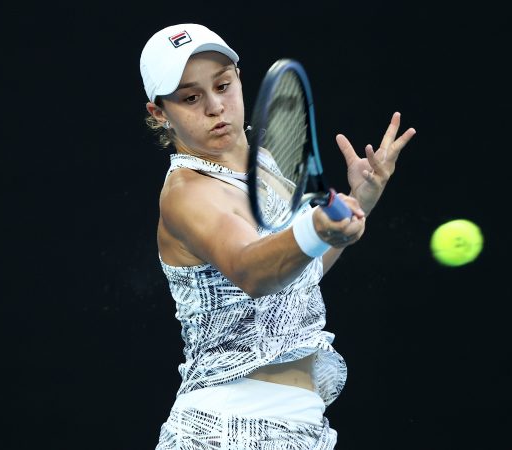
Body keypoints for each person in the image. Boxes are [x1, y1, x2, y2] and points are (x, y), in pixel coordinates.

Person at [140, 23, 416, 449]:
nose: (216, 106)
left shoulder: (264, 164)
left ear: (238, 77)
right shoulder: (186, 194)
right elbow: (251, 269)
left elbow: (293, 277)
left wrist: (361, 200)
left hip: (303, 427)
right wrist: (316, 226)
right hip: (223, 431)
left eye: (223, 85)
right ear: (160, 113)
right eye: (191, 98)